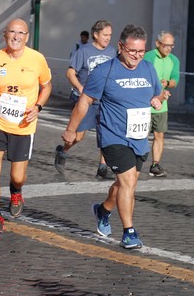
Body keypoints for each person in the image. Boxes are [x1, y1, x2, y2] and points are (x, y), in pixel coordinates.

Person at [62, 25, 162, 249]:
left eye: (141, 52)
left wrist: (159, 99)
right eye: (132, 51)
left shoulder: (148, 68)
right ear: (121, 47)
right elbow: (85, 101)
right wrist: (71, 128)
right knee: (128, 182)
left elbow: (158, 93)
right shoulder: (104, 70)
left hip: (138, 137)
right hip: (113, 136)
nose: (136, 56)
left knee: (125, 183)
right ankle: (129, 233)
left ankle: (103, 210)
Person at [0, 18, 52, 233]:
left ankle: (16, 190)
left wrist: (38, 107)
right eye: (12, 32)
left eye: (21, 33)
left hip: (23, 126)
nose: (16, 37)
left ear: (27, 37)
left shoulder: (37, 59)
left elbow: (47, 86)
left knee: (17, 176)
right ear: (5, 34)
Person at [54, 20, 117, 179]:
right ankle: (63, 151)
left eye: (110, 35)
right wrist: (81, 88)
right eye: (105, 35)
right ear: (96, 35)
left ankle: (103, 167)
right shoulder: (83, 51)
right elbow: (70, 73)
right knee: (78, 136)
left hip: (104, 100)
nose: (108, 38)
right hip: (84, 100)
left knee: (106, 134)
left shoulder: (112, 52)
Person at [143, 31, 180, 177]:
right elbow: (144, 77)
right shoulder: (149, 56)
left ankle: (155, 165)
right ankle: (135, 163)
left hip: (162, 106)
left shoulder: (174, 60)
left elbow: (175, 79)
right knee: (141, 135)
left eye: (172, 46)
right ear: (158, 44)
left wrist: (168, 83)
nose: (169, 49)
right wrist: (158, 87)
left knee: (159, 135)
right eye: (166, 45)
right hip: (145, 104)